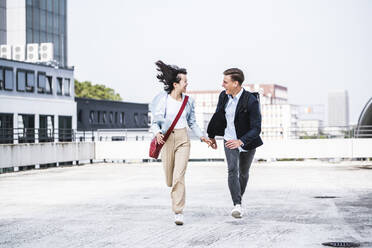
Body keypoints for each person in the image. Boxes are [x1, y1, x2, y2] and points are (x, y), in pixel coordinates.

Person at [150, 60, 211, 225]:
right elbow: (154, 122)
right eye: (184, 81)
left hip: (184, 139)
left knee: (179, 177)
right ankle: (175, 196)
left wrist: (202, 136)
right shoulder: (162, 99)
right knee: (170, 179)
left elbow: (192, 122)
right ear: (176, 84)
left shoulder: (188, 101)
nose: (187, 83)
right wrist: (157, 133)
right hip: (167, 139)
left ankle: (178, 211)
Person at [207, 68, 263, 218]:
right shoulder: (224, 96)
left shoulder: (251, 101)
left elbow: (257, 128)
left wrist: (241, 141)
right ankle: (237, 205)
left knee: (243, 173)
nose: (222, 85)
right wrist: (211, 135)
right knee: (232, 169)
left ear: (236, 83)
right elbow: (218, 116)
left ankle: (238, 197)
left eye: (225, 82)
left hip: (247, 142)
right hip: (229, 139)